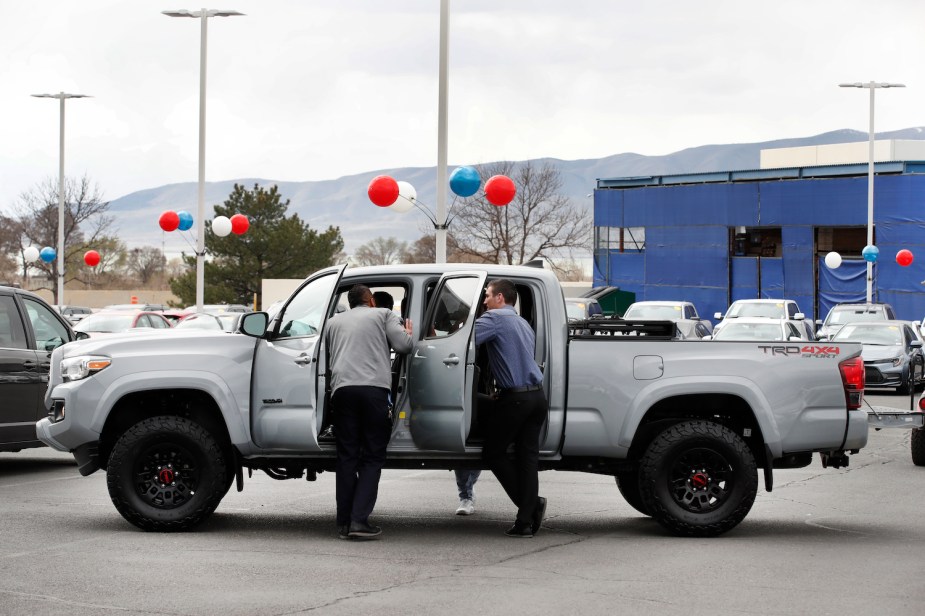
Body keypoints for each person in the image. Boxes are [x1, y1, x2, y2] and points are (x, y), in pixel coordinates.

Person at [325, 284, 413, 540]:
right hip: (373, 391)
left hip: (342, 391)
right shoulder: (383, 314)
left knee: (347, 457)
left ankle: (343, 523)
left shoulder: (333, 322)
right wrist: (408, 332)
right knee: (373, 456)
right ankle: (359, 521)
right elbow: (404, 346)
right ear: (371, 300)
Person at [476, 278, 547, 538]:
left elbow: (461, 340)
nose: (484, 301)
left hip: (516, 400)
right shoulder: (521, 322)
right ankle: (524, 522)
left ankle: (531, 506)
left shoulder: (494, 319)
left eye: (487, 295)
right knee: (528, 459)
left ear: (500, 298)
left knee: (493, 453)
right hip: (536, 398)